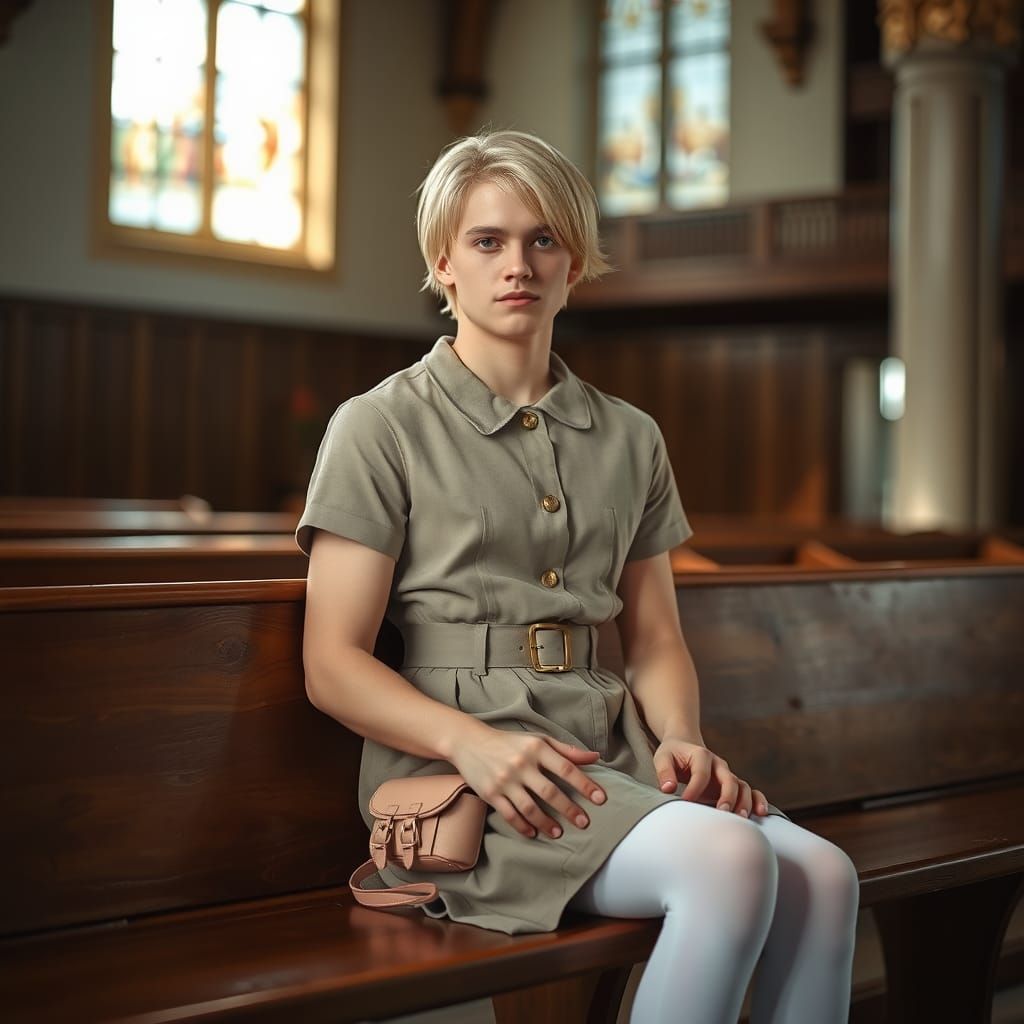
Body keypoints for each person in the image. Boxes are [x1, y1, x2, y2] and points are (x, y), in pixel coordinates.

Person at [298, 129, 860, 1023]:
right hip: (462, 774)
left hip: (609, 745)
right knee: (731, 861)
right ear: (444, 264)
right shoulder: (379, 425)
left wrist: (683, 737)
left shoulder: (632, 436)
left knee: (826, 877)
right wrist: (473, 744)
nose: (517, 265)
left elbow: (656, 639)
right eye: (488, 241)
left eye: (543, 241)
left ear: (574, 264)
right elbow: (331, 664)